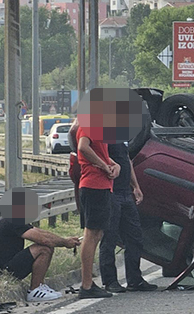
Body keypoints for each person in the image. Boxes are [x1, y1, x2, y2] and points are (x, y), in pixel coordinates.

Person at [99, 142, 158, 292]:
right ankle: (110, 280)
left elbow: (127, 161)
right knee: (109, 238)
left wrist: (135, 186)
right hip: (111, 191)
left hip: (125, 192)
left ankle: (134, 279)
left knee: (135, 237)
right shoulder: (102, 136)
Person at [0, 217, 81, 302]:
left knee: (49, 246)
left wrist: (65, 240)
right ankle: (35, 290)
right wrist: (65, 243)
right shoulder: (13, 220)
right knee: (44, 249)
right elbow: (43, 239)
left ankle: (40, 285)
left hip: (6, 266)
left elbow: (41, 233)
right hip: (1, 271)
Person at [76, 123, 121, 298]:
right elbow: (83, 147)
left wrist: (115, 166)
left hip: (102, 186)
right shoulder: (88, 124)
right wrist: (103, 166)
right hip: (93, 185)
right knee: (91, 233)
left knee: (97, 234)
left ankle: (88, 283)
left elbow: (103, 155)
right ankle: (86, 285)